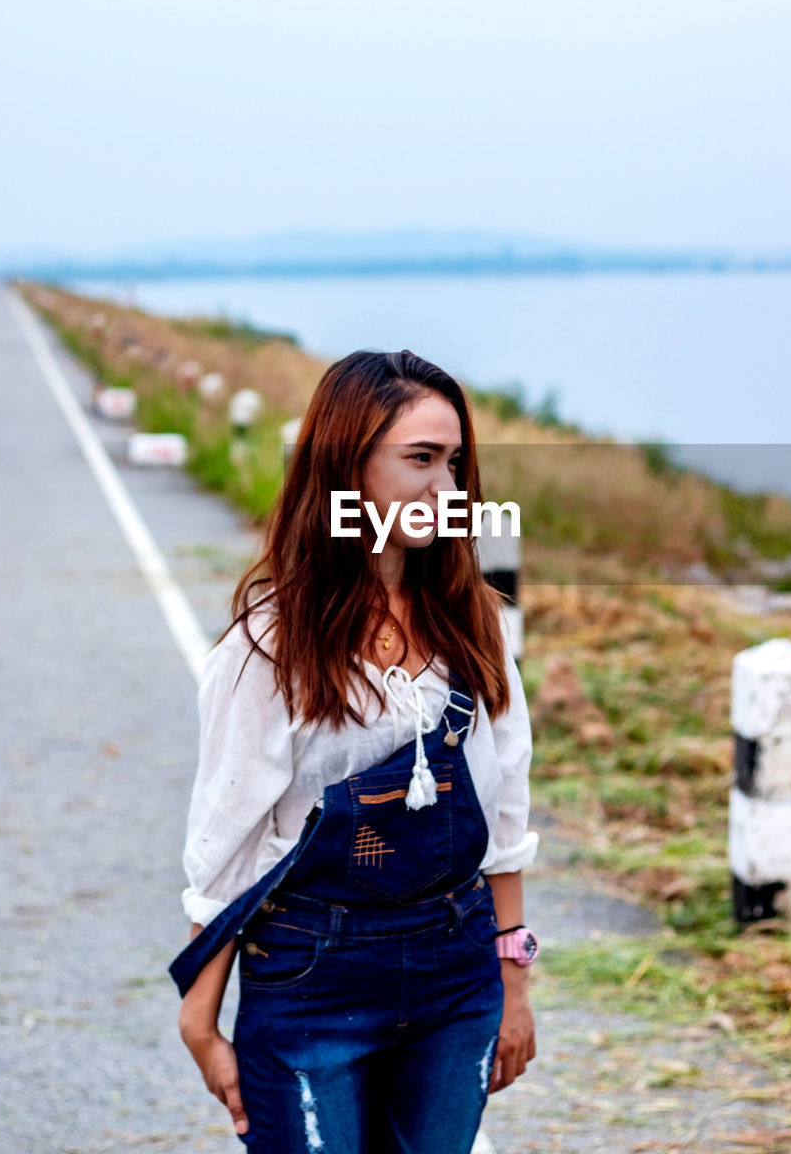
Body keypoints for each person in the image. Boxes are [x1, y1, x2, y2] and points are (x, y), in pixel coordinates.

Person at [170, 348, 540, 1153]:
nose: (445, 490)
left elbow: (503, 802)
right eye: (419, 460)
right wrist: (200, 1018)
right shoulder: (268, 646)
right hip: (311, 973)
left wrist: (513, 977)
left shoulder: (472, 620)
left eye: (454, 463)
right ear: (346, 465)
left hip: (455, 967)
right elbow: (229, 843)